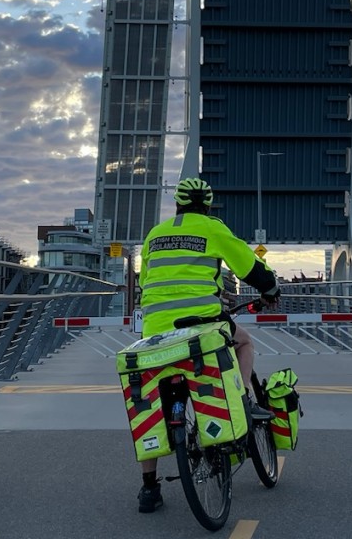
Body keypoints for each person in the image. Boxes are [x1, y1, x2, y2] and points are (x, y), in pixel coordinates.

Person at [135, 177, 282, 514]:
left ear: (177, 204)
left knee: (152, 409)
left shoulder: (155, 235)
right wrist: (270, 289)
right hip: (200, 326)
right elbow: (250, 268)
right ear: (208, 205)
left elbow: (151, 282)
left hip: (155, 330)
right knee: (244, 343)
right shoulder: (212, 228)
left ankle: (148, 489)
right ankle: (244, 397)